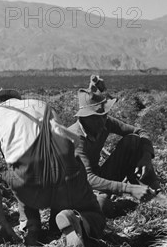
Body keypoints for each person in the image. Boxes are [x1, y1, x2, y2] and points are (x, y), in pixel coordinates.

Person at [0, 86, 106, 247]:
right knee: (94, 214)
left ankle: (32, 228)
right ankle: (76, 221)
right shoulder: (40, 104)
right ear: (5, 96)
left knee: (15, 168)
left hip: (28, 180)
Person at [67, 75, 161, 216]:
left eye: (105, 115)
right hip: (75, 188)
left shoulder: (105, 122)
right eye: (98, 117)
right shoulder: (75, 138)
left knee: (133, 140)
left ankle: (155, 193)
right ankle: (119, 205)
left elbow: (140, 131)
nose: (103, 120)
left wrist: (146, 157)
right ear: (85, 118)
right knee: (102, 204)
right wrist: (128, 188)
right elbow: (89, 178)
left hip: (98, 177)